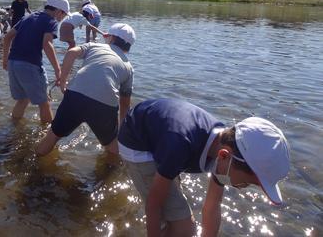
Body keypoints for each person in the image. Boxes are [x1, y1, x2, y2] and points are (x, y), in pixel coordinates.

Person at [117, 98, 290, 237]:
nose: (242, 188)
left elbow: (213, 205)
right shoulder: (180, 145)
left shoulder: (224, 148)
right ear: (225, 156)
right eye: (244, 183)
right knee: (185, 228)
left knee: (173, 204)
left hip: (163, 136)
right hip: (136, 143)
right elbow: (153, 205)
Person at [35, 23, 135, 156]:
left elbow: (71, 52)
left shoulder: (95, 45)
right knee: (112, 147)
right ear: (128, 47)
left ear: (110, 38)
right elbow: (125, 103)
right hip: (104, 105)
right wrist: (122, 128)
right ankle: (110, 173)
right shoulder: (128, 67)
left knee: (53, 136)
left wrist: (63, 81)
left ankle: (33, 163)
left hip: (76, 96)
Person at [2, 0, 70, 123]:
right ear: (58, 11)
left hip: (13, 63)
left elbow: (7, 37)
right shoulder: (51, 21)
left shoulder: (27, 17)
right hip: (29, 65)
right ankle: (49, 138)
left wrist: (5, 60)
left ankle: (14, 128)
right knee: (44, 103)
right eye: (64, 15)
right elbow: (47, 44)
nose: (62, 18)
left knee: (22, 100)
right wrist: (58, 70)